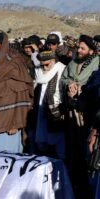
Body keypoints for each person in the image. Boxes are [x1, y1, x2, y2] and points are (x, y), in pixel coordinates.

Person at [60, 34, 99, 198]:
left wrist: (81, 87)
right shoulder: (72, 63)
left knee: (86, 147)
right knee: (73, 145)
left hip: (88, 113)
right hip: (71, 111)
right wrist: (69, 84)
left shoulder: (97, 63)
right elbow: (62, 79)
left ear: (91, 50)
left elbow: (95, 85)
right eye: (78, 48)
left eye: (83, 48)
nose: (79, 50)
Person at [30, 51, 66, 159]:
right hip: (39, 111)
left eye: (47, 65)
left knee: (57, 141)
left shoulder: (62, 70)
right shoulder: (37, 72)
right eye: (42, 65)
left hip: (56, 111)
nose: (44, 68)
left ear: (53, 61)